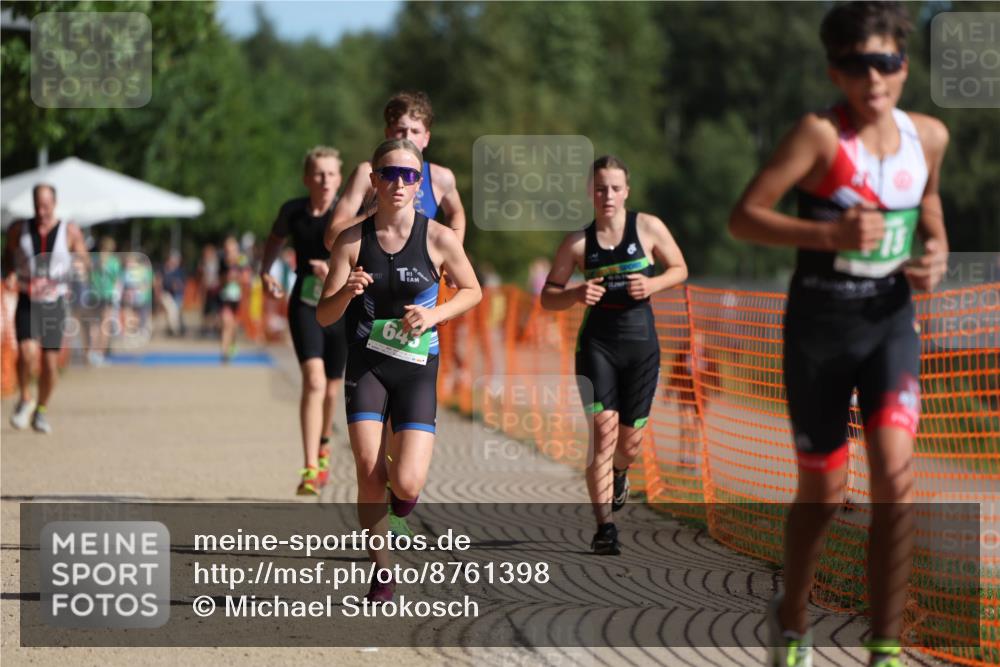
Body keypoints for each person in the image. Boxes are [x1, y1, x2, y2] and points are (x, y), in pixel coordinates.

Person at [728, 3, 949, 665]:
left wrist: (935, 250)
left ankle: (884, 647)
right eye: (856, 65)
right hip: (818, 333)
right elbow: (744, 217)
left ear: (904, 66)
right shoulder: (819, 135)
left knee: (894, 476)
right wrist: (828, 234)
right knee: (823, 495)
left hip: (888, 324)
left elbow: (928, 201)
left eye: (884, 61)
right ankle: (792, 617)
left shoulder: (928, 137)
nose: (872, 77)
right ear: (836, 70)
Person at [317, 138, 481, 602]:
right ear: (374, 180)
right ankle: (382, 571)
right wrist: (345, 292)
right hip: (366, 365)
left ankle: (401, 506)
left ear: (419, 183)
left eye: (409, 176)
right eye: (389, 173)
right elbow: (324, 317)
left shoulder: (438, 237)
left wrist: (433, 315)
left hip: (416, 367)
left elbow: (473, 291)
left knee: (405, 482)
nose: (398, 183)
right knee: (370, 471)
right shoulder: (351, 240)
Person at [541, 156, 688, 555]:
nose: (608, 195)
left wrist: (653, 284)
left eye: (615, 188)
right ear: (591, 191)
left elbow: (680, 268)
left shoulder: (649, 227)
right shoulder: (577, 243)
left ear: (627, 191)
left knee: (630, 443)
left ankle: (621, 472)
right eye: (600, 188)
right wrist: (573, 294)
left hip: (642, 348)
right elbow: (547, 298)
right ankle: (605, 527)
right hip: (597, 346)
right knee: (603, 434)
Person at [260, 146, 348, 496]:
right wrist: (265, 272)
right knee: (312, 381)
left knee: (330, 389)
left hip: (341, 304)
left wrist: (334, 272)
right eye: (319, 173)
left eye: (331, 174)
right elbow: (274, 241)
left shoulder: (349, 212)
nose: (325, 180)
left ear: (340, 179)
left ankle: (325, 444)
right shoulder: (293, 211)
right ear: (306, 178)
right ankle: (310, 466)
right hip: (305, 303)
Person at [325, 91, 466, 247]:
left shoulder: (441, 177)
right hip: (371, 268)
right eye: (401, 130)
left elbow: (456, 213)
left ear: (426, 138)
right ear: (388, 133)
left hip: (421, 268)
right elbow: (331, 239)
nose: (407, 137)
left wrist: (453, 251)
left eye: (415, 131)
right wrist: (375, 213)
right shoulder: (367, 173)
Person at [2, 184, 89, 434]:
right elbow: (8, 255)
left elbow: (83, 257)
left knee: (50, 363)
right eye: (38, 206)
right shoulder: (19, 229)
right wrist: (9, 273)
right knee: (27, 352)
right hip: (29, 296)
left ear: (55, 203)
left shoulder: (69, 231)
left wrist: (80, 266)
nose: (42, 211)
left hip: (55, 301)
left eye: (46, 206)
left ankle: (41, 409)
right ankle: (25, 399)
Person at [218, 235, 249, 362]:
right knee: (226, 323)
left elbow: (246, 279)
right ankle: (224, 353)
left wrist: (237, 277)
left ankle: (233, 344)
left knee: (234, 326)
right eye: (227, 250)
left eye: (231, 249)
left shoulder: (242, 261)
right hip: (226, 297)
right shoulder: (222, 262)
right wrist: (226, 277)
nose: (229, 252)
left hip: (239, 297)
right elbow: (220, 280)